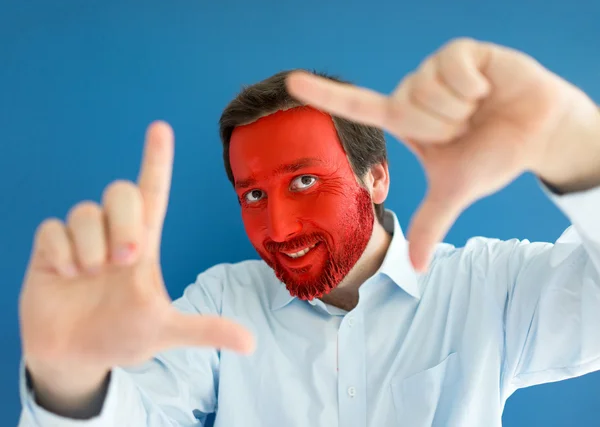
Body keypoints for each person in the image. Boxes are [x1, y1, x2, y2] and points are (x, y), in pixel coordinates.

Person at [17, 38, 600, 426]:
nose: (278, 227)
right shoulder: (224, 302)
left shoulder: (485, 287)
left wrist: (575, 143)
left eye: (302, 182)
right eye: (253, 194)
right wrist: (67, 380)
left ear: (375, 179)